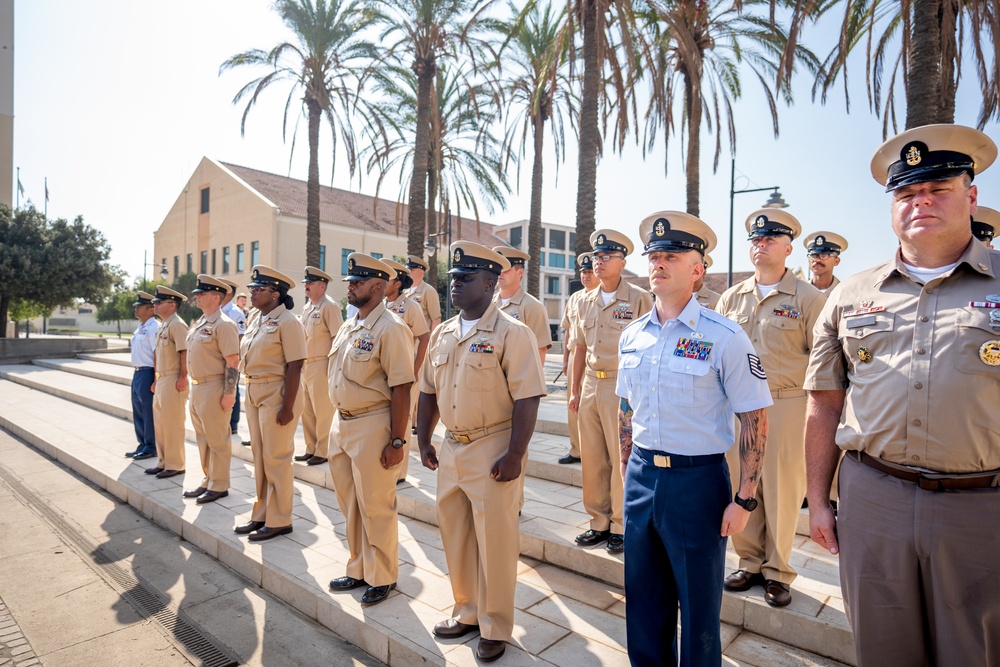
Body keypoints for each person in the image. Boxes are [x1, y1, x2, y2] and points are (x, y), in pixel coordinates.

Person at [804, 124, 1000, 665]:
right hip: (875, 501)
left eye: (938, 188)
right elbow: (824, 402)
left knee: (975, 652)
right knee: (881, 648)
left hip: (982, 508)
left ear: (972, 194)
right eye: (908, 193)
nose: (922, 203)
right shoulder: (851, 294)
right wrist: (818, 501)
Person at [618, 211, 772, 667]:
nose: (658, 264)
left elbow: (755, 418)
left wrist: (744, 499)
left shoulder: (724, 336)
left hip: (697, 483)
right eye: (654, 256)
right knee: (643, 602)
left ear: (698, 270)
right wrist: (629, 474)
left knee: (699, 609)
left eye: (671, 256)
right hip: (643, 479)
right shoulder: (632, 336)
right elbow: (626, 411)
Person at [417, 242, 546, 663]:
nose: (455, 284)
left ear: (491, 284)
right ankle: (467, 611)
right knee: (455, 536)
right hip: (452, 448)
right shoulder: (444, 332)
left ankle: (494, 625)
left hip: (493, 446)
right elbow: (428, 389)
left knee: (495, 542)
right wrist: (422, 438)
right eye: (453, 278)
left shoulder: (513, 332)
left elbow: (528, 397)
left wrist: (515, 456)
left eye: (465, 278)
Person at [716, 208, 825, 607]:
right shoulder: (732, 297)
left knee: (781, 488)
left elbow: (823, 358)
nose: (760, 245)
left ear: (788, 247)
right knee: (742, 483)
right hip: (737, 407)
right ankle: (749, 560)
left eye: (770, 239)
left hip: (786, 404)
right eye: (755, 240)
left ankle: (778, 571)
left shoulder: (809, 298)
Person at [326, 254, 414, 606]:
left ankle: (383, 575)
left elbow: (402, 387)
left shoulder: (392, 328)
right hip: (342, 424)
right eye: (350, 281)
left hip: (373, 424)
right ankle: (359, 567)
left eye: (357, 282)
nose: (350, 286)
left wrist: (397, 440)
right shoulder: (351, 324)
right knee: (351, 505)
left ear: (377, 287)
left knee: (376, 506)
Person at [568, 229, 653, 554]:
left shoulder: (639, 298)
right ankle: (598, 522)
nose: (598, 262)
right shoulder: (584, 300)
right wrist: (574, 390)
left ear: (623, 262)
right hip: (591, 383)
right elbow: (578, 347)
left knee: (623, 457)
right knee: (591, 457)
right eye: (596, 257)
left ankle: (620, 523)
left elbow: (650, 346)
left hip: (623, 386)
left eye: (606, 257)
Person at [236, 265, 307, 541]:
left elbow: (295, 365)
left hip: (277, 392)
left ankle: (280, 518)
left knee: (276, 458)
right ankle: (261, 513)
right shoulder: (257, 318)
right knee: (260, 458)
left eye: (259, 289)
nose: (252, 293)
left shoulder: (289, 322)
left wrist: (287, 407)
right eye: (252, 289)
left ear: (275, 294)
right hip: (254, 390)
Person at [183, 275, 240, 504]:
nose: (197, 296)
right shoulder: (201, 323)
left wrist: (229, 393)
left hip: (214, 387)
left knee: (217, 439)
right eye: (197, 293)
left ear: (216, 297)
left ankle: (220, 485)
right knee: (203, 439)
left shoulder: (224, 325)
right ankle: (209, 480)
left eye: (202, 293)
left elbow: (233, 362)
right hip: (197, 387)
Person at [382, 259, 429, 483]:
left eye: (387, 279)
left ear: (398, 283)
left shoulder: (410, 306)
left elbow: (424, 336)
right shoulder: (380, 305)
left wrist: (416, 367)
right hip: (383, 372)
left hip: (404, 373)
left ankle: (400, 472)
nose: (382, 283)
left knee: (403, 418)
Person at [295, 266, 343, 466]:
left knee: (323, 410)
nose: (306, 286)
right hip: (306, 364)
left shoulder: (329, 306)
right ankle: (311, 447)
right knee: (307, 409)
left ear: (322, 286)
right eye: (306, 283)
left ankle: (323, 450)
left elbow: (337, 338)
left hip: (322, 363)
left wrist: (331, 367)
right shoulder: (307, 308)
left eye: (311, 283)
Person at [558, 253, 598, 465]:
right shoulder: (575, 299)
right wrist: (566, 359)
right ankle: (576, 450)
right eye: (583, 272)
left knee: (593, 408)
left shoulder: (603, 297)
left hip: (596, 358)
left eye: (590, 271)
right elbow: (567, 330)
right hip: (576, 355)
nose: (586, 276)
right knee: (573, 405)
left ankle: (595, 451)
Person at [147, 286, 189, 480]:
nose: (154, 305)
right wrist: (156, 379)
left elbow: (184, 352)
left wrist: (183, 377)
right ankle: (163, 461)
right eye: (154, 302)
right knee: (161, 424)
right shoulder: (163, 324)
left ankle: (175, 464)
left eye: (158, 302)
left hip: (173, 378)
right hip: (162, 378)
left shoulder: (177, 325)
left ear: (172, 305)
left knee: (172, 424)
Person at [492, 246, 553, 366]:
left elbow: (540, 349)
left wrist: (532, 383)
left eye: (506, 269)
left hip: (517, 378)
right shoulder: (488, 304)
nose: (500, 273)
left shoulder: (532, 306)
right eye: (498, 268)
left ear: (520, 272)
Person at [126, 292, 158, 461]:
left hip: (148, 372)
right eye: (136, 307)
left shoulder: (154, 327)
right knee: (138, 410)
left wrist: (155, 378)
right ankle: (142, 443)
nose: (136, 310)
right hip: (137, 372)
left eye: (140, 307)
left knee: (147, 411)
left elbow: (156, 353)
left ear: (151, 309)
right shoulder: (140, 327)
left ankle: (151, 446)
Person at [219, 278, 247, 440]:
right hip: (217, 359)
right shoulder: (217, 310)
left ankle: (233, 424)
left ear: (228, 292)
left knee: (232, 389)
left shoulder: (235, 312)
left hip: (230, 358)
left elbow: (241, 337)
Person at [405, 255, 442, 330]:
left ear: (421, 273)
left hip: (420, 341)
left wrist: (432, 341)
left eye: (411, 270)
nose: (407, 273)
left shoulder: (428, 291)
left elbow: (436, 320)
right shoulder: (404, 291)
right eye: (407, 270)